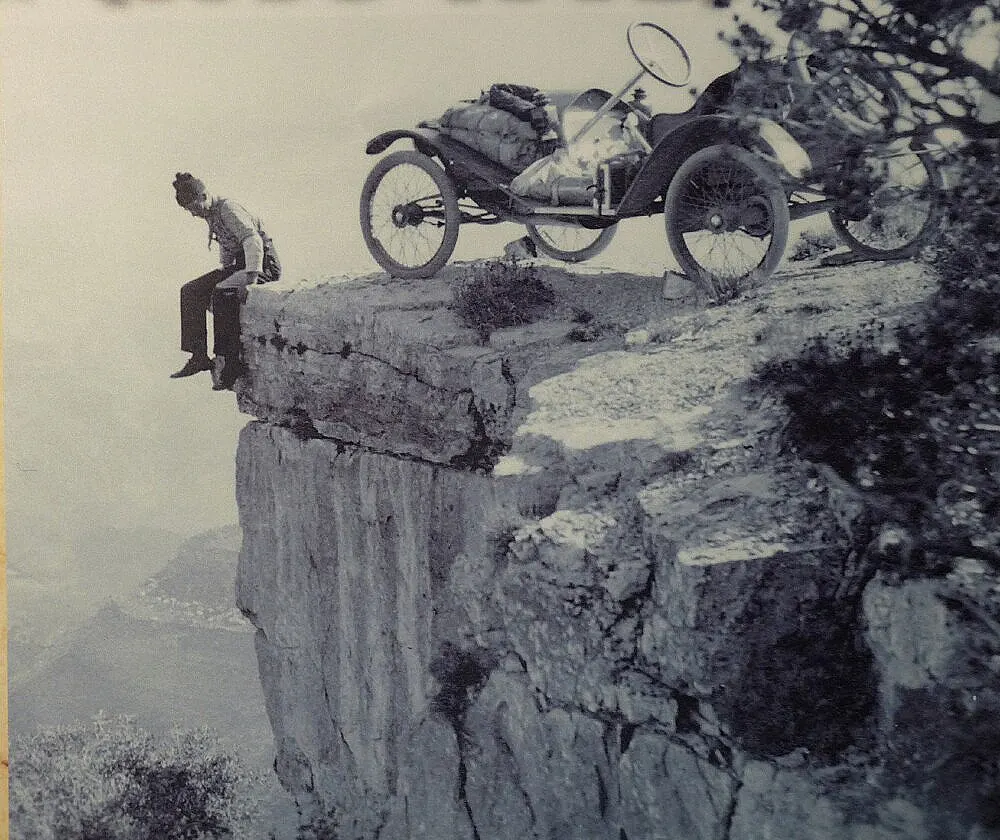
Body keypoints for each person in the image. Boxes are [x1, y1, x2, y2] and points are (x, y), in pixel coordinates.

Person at [169, 172, 281, 390]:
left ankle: (230, 361)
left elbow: (252, 239)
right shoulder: (212, 214)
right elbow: (227, 245)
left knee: (221, 294)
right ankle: (198, 355)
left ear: (203, 196)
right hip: (239, 264)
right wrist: (225, 269)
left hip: (262, 264)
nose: (193, 214)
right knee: (191, 291)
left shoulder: (227, 209)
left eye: (193, 207)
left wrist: (251, 278)